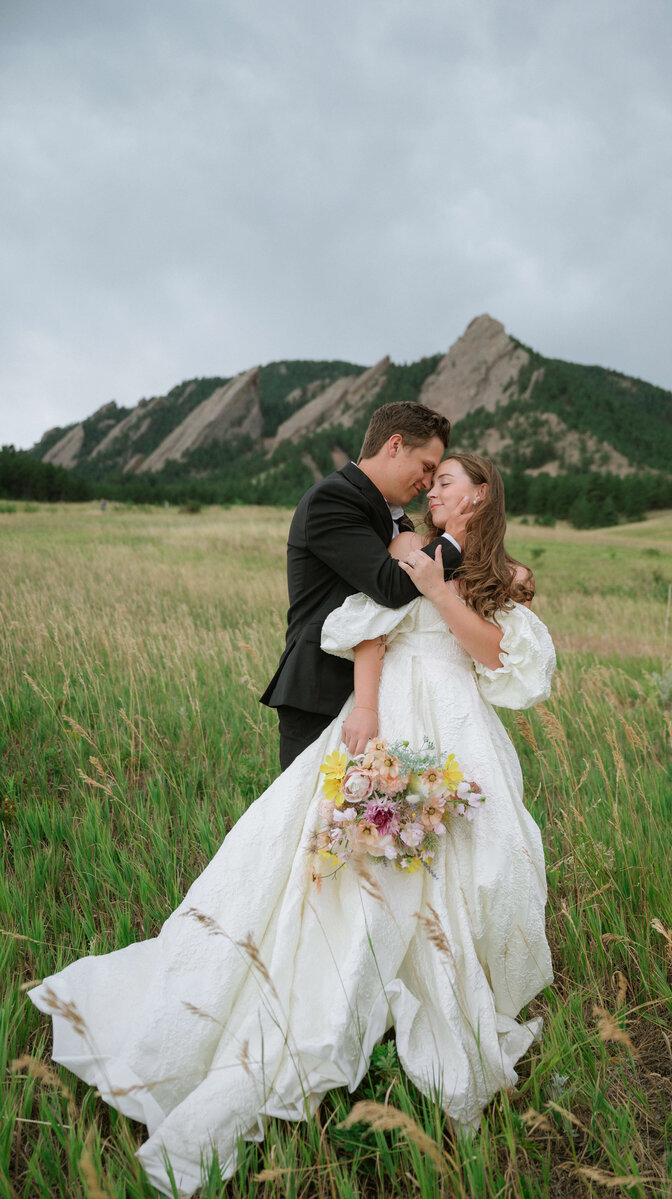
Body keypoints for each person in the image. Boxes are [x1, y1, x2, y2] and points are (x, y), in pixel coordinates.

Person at [29, 454, 556, 1198]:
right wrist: (365, 714)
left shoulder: (507, 574)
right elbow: (370, 630)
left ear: (483, 494)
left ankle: (443, 1001)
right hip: (393, 706)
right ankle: (334, 1010)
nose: (433, 487)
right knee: (361, 868)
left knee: (484, 863)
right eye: (429, 477)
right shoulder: (404, 545)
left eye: (449, 480)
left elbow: (495, 657)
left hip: (460, 723)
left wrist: (445, 590)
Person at [260, 400, 471, 769]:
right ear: (394, 445)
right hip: (322, 689)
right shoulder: (333, 499)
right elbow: (388, 586)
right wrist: (455, 540)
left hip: (384, 696)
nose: (426, 485)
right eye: (426, 468)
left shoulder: (398, 522)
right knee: (313, 820)